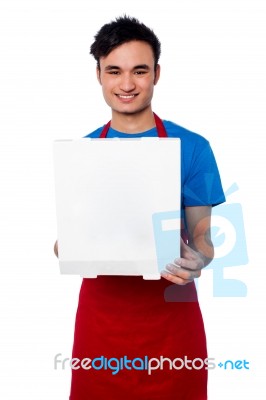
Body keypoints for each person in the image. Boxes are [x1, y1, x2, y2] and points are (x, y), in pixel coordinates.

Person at [54, 15, 225, 400]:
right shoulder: (81, 153)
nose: (127, 84)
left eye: (140, 70)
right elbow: (67, 238)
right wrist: (64, 247)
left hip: (171, 321)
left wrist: (197, 259)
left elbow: (203, 239)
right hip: (102, 322)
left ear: (157, 74)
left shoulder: (193, 147)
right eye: (114, 70)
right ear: (98, 74)